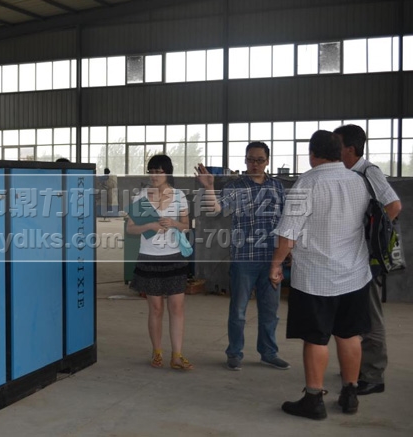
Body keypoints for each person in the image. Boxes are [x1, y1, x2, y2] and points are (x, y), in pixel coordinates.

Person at [270, 130, 372, 419]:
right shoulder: (358, 181)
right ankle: (350, 395)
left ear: (312, 154)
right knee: (349, 334)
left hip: (317, 277)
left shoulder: (307, 183)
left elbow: (288, 233)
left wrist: (276, 265)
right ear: (339, 152)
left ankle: (313, 400)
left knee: (316, 338)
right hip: (355, 274)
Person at [195, 142, 289, 372]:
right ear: (245, 160)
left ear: (267, 161)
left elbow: (286, 222)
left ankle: (269, 353)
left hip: (271, 259)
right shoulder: (236, 187)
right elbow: (216, 208)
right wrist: (209, 187)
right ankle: (234, 353)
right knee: (238, 310)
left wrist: (287, 254)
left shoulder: (277, 187)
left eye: (259, 160)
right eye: (250, 159)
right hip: (244, 258)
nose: (254, 164)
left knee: (270, 311)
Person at [334, 124, 402, 396]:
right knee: (353, 315)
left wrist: (371, 238)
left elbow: (393, 206)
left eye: (337, 145)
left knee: (370, 317)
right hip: (349, 257)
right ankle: (356, 366)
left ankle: (373, 375)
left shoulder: (368, 172)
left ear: (350, 149)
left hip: (365, 258)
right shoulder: (346, 173)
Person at [127, 155, 193, 371]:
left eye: (159, 171)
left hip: (174, 257)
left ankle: (177, 355)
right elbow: (130, 228)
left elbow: (187, 225)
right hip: (149, 257)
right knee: (155, 308)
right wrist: (149, 226)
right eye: (152, 171)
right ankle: (157, 352)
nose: (154, 176)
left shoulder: (179, 196)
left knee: (177, 307)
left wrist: (174, 223)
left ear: (168, 173)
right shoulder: (140, 197)